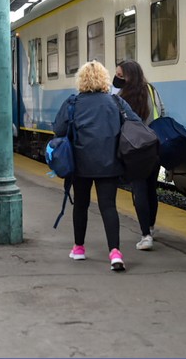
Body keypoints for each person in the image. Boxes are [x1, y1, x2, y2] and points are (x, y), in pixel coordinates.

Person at [52, 60, 139, 272]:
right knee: (108, 206)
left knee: (80, 205)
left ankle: (79, 248)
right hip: (109, 164)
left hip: (80, 165)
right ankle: (115, 253)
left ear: (81, 80)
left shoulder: (72, 103)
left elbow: (58, 130)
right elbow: (135, 124)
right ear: (105, 79)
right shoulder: (116, 103)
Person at [115, 59, 165, 250]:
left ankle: (145, 235)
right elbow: (162, 112)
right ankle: (150, 228)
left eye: (120, 75)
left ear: (128, 76)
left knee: (140, 191)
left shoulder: (121, 97)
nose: (117, 78)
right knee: (152, 189)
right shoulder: (152, 91)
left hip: (133, 150)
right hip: (153, 146)